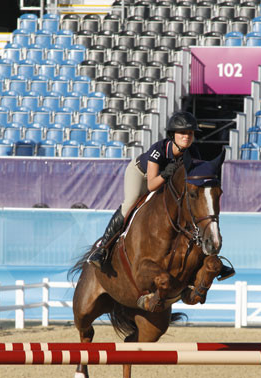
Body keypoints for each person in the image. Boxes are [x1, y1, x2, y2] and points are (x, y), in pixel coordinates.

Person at [87, 111, 235, 281]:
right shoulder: (159, 150)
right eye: (182, 133)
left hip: (165, 181)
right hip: (141, 175)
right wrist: (165, 174)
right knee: (130, 203)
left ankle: (208, 257)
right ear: (173, 135)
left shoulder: (193, 152)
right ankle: (103, 248)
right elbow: (150, 185)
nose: (187, 137)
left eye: (190, 133)